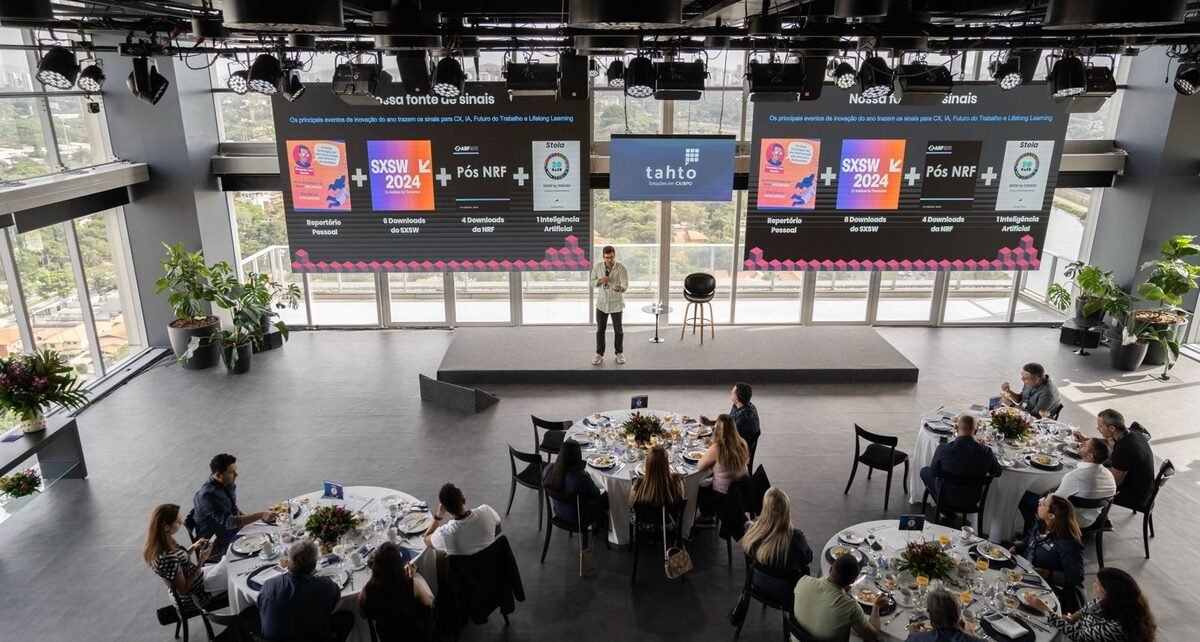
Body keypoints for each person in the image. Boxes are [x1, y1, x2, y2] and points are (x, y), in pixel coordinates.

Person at [1023, 567, 1157, 642]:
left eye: (1098, 586)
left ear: (1109, 593)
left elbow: (1079, 636)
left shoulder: (1117, 626)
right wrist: (1072, 617)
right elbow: (1086, 610)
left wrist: (1047, 610)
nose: (1093, 586)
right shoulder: (1106, 601)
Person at [258, 540, 353, 642]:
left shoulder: (268, 585)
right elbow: (336, 594)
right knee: (346, 618)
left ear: (289, 562)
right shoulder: (321, 586)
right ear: (314, 564)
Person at [143, 503, 228, 612]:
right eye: (177, 521)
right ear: (167, 527)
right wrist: (201, 561)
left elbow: (179, 561)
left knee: (229, 565)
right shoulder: (168, 557)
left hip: (196, 582)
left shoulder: (162, 543)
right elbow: (183, 589)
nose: (180, 523)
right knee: (234, 574)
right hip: (195, 596)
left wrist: (194, 546)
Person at [1017, 438, 1116, 532]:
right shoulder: (1108, 474)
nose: (1080, 444)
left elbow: (1055, 501)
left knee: (1023, 496)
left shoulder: (1075, 476)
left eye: (1085, 445)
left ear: (1090, 456)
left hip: (1069, 519)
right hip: (1091, 519)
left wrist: (1047, 493)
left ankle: (1033, 532)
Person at [1011, 495, 1085, 612]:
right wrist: (1017, 547)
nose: (1039, 503)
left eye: (1043, 504)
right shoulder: (1040, 523)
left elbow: (1076, 576)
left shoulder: (1068, 543)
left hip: (1046, 586)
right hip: (1026, 571)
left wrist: (1049, 574)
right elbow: (1028, 540)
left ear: (1051, 516)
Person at [193, 453, 277, 554]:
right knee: (266, 545)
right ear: (218, 475)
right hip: (216, 545)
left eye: (235, 470)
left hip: (230, 532)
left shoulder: (226, 483)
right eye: (231, 472)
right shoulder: (207, 496)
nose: (236, 475)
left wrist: (251, 520)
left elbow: (232, 507)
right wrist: (260, 515)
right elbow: (231, 523)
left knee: (270, 534)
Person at [740, 488, 813, 603]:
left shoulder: (751, 530)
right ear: (786, 510)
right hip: (786, 592)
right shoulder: (796, 537)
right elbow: (808, 559)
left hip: (757, 582)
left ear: (765, 509)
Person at [792, 554, 886, 642]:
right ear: (852, 582)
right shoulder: (851, 607)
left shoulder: (803, 581)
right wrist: (876, 606)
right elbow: (872, 636)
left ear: (830, 569)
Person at [1075, 409, 1155, 511]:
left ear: (1112, 428)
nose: (1097, 428)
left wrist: (1085, 476)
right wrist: (1087, 440)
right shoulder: (1132, 433)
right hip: (1144, 487)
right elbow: (1110, 441)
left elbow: (1113, 482)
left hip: (1135, 496)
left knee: (1080, 484)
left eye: (1100, 426)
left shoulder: (1124, 449)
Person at [919, 415, 1001, 514]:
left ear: (957, 429)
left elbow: (934, 473)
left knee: (925, 471)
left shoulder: (943, 449)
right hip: (972, 499)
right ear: (975, 431)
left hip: (946, 496)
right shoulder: (986, 452)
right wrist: (984, 450)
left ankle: (944, 510)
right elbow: (997, 472)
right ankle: (946, 511)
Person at [358, 541, 434, 640]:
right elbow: (430, 605)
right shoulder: (411, 584)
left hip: (387, 636)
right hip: (412, 635)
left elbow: (363, 614)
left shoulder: (366, 590)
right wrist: (413, 578)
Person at [694, 414, 750, 524]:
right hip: (741, 492)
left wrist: (711, 448)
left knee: (698, 486)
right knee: (709, 479)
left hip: (723, 497)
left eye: (714, 427)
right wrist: (712, 446)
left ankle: (708, 516)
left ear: (718, 430)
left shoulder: (717, 448)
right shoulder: (742, 442)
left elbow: (700, 466)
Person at [543, 439, 608, 533]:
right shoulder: (581, 478)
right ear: (578, 456)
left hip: (559, 511)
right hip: (579, 517)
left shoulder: (548, 469)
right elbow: (596, 494)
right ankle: (602, 526)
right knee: (607, 496)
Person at [423, 483, 502, 556]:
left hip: (464, 566)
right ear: (464, 500)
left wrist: (438, 516)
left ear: (444, 509)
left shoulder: (445, 534)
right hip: (492, 561)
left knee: (438, 554)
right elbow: (498, 529)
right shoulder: (486, 511)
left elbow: (426, 539)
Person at [591, 245, 628, 366]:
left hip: (616, 303)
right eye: (607, 257)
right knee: (600, 330)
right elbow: (591, 282)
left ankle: (619, 353)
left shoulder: (621, 268)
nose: (609, 260)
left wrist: (620, 289)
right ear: (603, 257)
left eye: (611, 257)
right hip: (602, 304)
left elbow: (625, 284)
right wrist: (601, 280)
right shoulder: (597, 267)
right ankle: (599, 354)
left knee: (618, 330)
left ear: (614, 255)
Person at [906, 588, 985, 641]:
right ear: (958, 613)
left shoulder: (916, 639)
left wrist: (913, 635)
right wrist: (972, 634)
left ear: (929, 614)